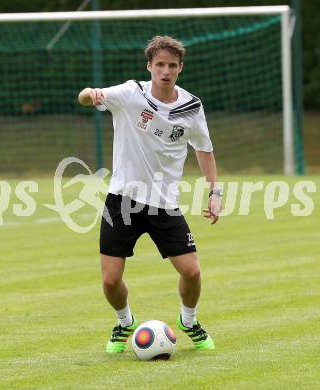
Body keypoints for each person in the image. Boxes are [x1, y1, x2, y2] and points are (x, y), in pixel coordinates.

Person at [78, 35, 221, 353]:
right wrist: (88, 95)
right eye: (160, 64)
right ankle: (124, 321)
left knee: (192, 271)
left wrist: (215, 191)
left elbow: (204, 150)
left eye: (172, 65)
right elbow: (94, 96)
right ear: (150, 66)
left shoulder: (192, 107)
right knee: (110, 281)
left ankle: (189, 320)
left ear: (180, 68)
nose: (165, 71)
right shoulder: (130, 94)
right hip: (122, 200)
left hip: (164, 204)